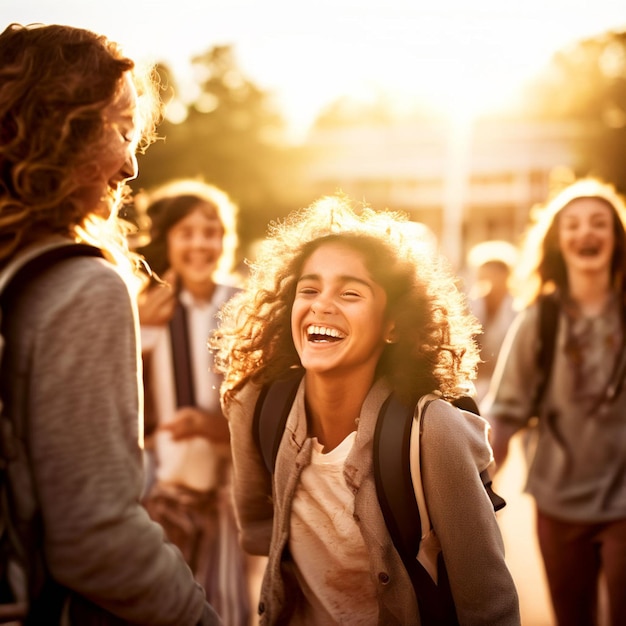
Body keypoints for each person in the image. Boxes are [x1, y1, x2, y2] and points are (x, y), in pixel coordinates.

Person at [210, 194, 521, 625]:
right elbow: (260, 530)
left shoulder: (433, 431)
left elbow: (488, 602)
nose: (321, 304)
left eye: (350, 292)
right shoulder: (255, 405)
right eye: (309, 289)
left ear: (393, 324)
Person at [0, 23, 221, 625]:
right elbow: (94, 538)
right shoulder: (81, 285)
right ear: (58, 130)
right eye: (119, 130)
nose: (128, 165)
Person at [483, 177, 626, 626]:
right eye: (574, 225)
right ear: (558, 241)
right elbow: (505, 414)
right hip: (558, 502)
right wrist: (475, 482)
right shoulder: (537, 321)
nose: (587, 232)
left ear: (616, 239)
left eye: (599, 223)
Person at [135, 179, 261, 626]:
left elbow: (264, 395)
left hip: (229, 480)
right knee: (163, 597)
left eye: (212, 231)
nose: (201, 244)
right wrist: (139, 327)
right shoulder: (145, 305)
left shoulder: (245, 305)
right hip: (161, 482)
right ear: (167, 239)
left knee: (225, 601)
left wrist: (212, 425)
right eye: (186, 232)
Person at [465, 241, 518, 405]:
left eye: (493, 273)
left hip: (508, 381)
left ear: (505, 275)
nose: (487, 278)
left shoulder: (518, 308)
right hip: (474, 380)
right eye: (483, 273)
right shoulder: (471, 304)